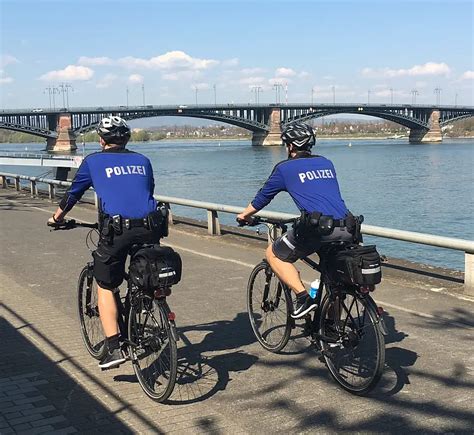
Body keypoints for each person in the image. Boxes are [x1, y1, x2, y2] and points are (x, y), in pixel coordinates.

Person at [48, 116, 163, 369]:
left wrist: (57, 218)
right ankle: (144, 303)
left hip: (118, 231)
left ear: (101, 140)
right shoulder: (143, 160)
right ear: (127, 139)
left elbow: (73, 194)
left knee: (106, 285)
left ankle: (114, 347)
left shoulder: (93, 161)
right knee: (143, 272)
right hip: (151, 227)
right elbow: (148, 191)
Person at [237, 122, 355, 319]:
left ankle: (303, 299)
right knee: (335, 282)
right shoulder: (327, 163)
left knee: (273, 254)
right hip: (347, 226)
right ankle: (333, 331)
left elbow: (262, 198)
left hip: (318, 229)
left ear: (289, 146)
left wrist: (244, 215)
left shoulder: (285, 168)